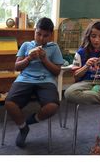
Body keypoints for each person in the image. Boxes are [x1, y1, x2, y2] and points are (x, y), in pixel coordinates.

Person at [5, 17, 64, 148]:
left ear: (51, 35)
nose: (41, 38)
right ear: (34, 31)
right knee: (9, 103)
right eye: (38, 34)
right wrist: (29, 58)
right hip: (25, 79)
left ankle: (28, 121)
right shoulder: (26, 45)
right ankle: (23, 128)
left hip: (46, 81)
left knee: (52, 107)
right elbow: (17, 67)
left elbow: (56, 72)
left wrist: (44, 59)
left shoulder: (54, 48)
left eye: (45, 35)